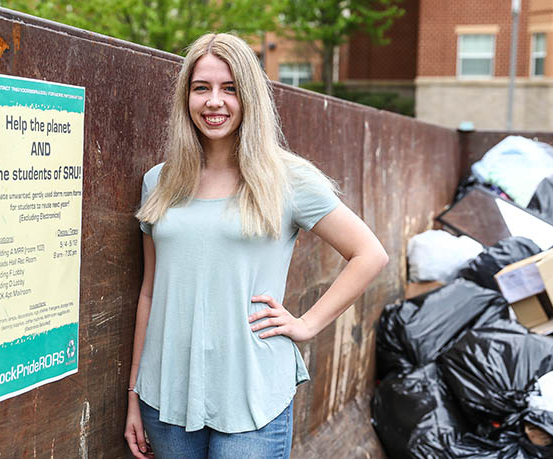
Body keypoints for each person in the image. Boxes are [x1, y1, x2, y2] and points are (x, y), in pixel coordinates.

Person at [124, 32, 388, 459]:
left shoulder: (287, 179)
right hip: (165, 398)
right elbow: (150, 293)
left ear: (249, 96)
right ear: (185, 98)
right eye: (201, 88)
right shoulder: (159, 181)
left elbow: (369, 254)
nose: (214, 101)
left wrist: (307, 324)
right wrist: (134, 393)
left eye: (230, 89)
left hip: (254, 400)